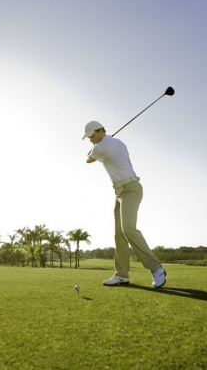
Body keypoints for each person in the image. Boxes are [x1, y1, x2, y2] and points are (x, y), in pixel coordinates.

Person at [83, 120, 166, 288]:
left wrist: (95, 147)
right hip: (121, 191)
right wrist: (104, 140)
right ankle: (121, 275)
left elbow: (87, 159)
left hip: (130, 189)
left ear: (99, 132)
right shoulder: (118, 142)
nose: (90, 139)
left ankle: (156, 268)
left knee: (128, 229)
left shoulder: (101, 148)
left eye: (91, 136)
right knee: (119, 234)